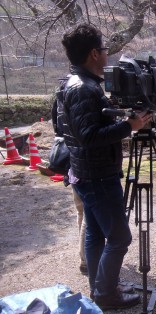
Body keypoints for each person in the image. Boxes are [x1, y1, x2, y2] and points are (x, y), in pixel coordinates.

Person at [61, 23, 151, 309]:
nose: (107, 56)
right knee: (119, 237)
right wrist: (129, 126)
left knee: (96, 233)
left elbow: (84, 129)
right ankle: (105, 295)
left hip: (87, 172)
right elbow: (88, 137)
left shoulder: (75, 83)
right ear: (93, 54)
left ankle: (101, 287)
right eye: (104, 50)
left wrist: (122, 121)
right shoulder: (84, 89)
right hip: (97, 175)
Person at [51, 75, 88, 276]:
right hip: (83, 164)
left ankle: (83, 255)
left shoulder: (60, 95)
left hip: (70, 163)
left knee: (81, 211)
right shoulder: (81, 92)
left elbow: (57, 128)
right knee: (88, 215)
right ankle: (86, 259)